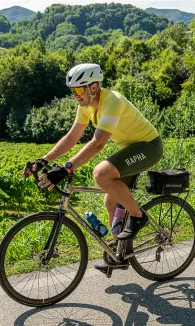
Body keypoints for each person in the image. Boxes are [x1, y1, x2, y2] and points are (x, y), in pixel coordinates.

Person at [22, 63, 163, 273]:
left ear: (94, 87)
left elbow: (98, 143)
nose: (75, 96)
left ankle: (138, 216)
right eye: (73, 91)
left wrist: (65, 169)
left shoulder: (112, 101)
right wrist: (45, 159)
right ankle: (119, 254)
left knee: (101, 174)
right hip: (129, 149)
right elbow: (72, 137)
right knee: (111, 200)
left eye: (79, 90)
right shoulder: (85, 107)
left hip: (148, 147)